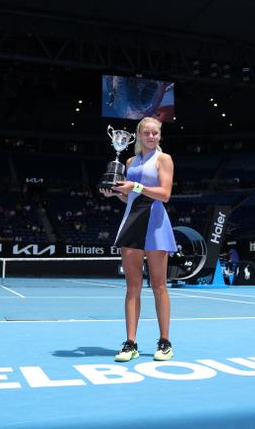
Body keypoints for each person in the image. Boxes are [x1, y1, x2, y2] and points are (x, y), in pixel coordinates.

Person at [99, 116, 176, 362]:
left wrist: (136, 187)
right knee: (132, 286)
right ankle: (130, 343)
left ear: (160, 136)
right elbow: (129, 197)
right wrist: (116, 194)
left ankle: (165, 342)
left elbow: (164, 194)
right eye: (147, 133)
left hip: (155, 224)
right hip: (131, 222)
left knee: (158, 285)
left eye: (155, 133)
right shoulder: (131, 161)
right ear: (139, 136)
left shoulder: (164, 159)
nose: (151, 137)